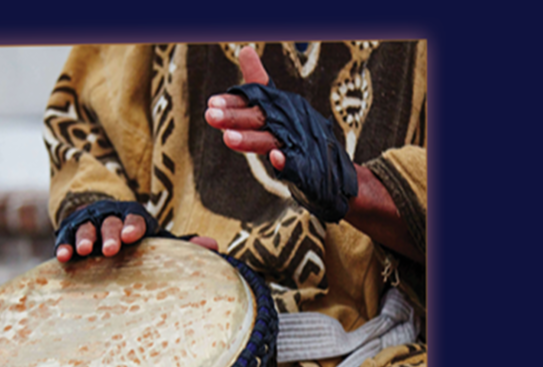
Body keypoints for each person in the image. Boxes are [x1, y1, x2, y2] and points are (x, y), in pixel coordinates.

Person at [31, 37, 425, 318]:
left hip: (378, 362)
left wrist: (352, 185)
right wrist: (119, 233)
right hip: (181, 330)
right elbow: (87, 122)